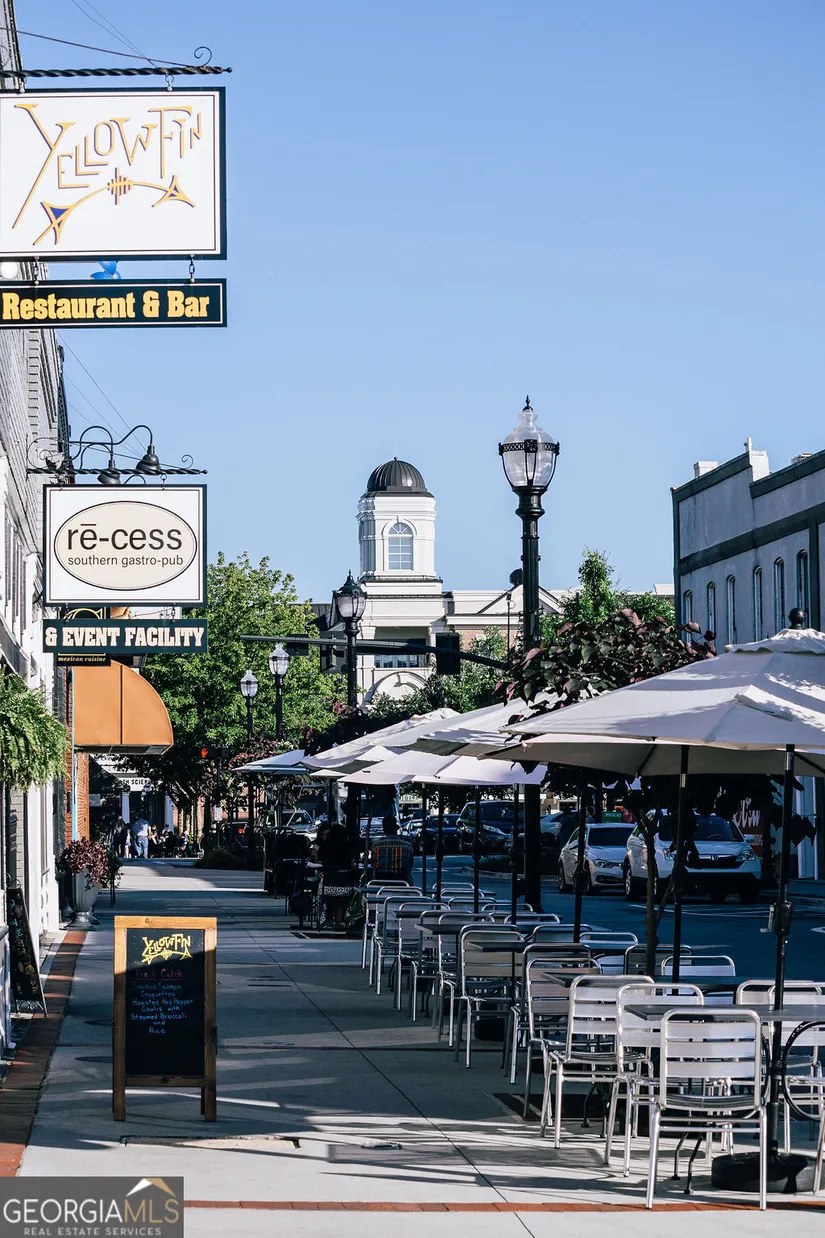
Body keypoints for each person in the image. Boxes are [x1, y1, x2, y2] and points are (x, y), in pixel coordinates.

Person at [316, 821, 357, 930]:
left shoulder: (324, 848)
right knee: (341, 899)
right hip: (345, 886)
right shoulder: (348, 848)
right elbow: (352, 865)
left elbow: (320, 864)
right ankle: (339, 922)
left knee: (326, 894)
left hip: (327, 885)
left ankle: (327, 919)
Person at [370, 815, 414, 882]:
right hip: (402, 882)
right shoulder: (408, 846)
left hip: (381, 882)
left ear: (384, 830)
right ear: (396, 830)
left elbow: (373, 864)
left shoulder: (376, 846)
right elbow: (410, 865)